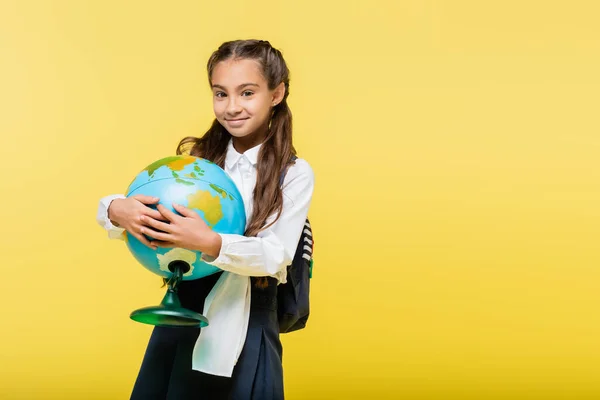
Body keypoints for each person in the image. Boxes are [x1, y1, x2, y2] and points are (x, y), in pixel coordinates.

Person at [95, 39, 315, 399]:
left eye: (247, 93)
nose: (231, 107)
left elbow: (276, 256)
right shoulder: (198, 163)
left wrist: (207, 241)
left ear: (277, 94)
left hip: (246, 320)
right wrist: (117, 210)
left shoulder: (293, 173)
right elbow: (147, 204)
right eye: (220, 94)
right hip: (181, 316)